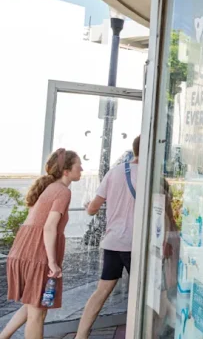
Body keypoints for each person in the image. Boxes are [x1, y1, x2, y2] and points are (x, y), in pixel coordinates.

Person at [0, 149, 82, 339]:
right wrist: (53, 262)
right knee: (38, 314)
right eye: (78, 166)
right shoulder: (63, 191)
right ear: (66, 171)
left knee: (33, 304)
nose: (82, 169)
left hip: (24, 249)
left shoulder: (50, 187)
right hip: (38, 252)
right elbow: (49, 227)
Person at [76, 136, 140, 338]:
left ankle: (81, 335)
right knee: (147, 292)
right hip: (135, 244)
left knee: (102, 291)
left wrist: (88, 206)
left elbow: (93, 209)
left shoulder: (115, 172)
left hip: (113, 242)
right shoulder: (149, 175)